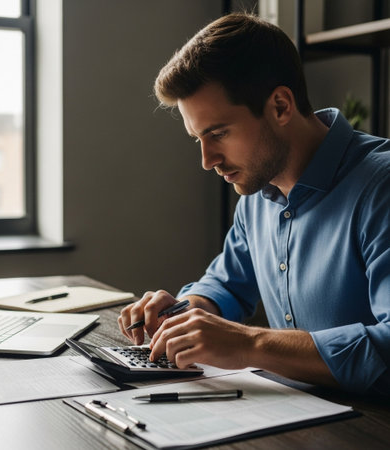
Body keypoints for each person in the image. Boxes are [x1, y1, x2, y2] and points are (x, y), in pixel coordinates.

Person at [118, 13, 390, 394]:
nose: (207, 159)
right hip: (290, 414)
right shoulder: (257, 194)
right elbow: (227, 285)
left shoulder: (381, 187)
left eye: (219, 133)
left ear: (280, 106)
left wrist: (249, 345)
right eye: (198, 138)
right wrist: (184, 312)